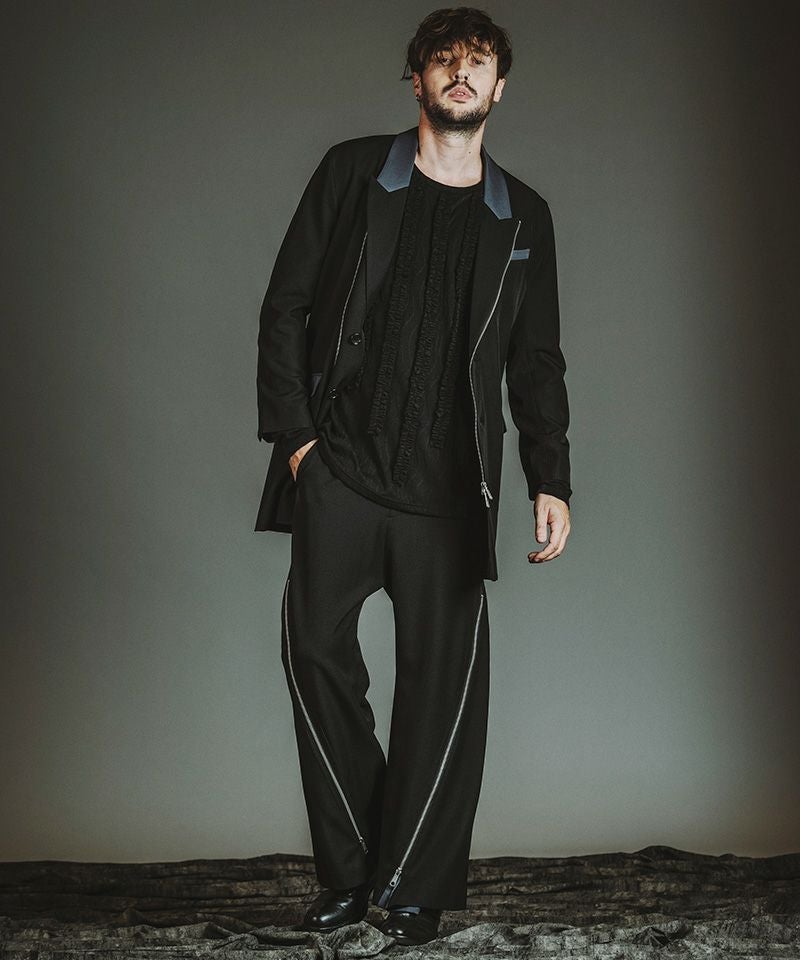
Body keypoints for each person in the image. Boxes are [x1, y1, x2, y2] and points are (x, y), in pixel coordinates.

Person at [254, 6, 572, 945]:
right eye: (444, 59)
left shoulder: (525, 216)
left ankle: (412, 889)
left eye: (478, 62)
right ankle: (353, 871)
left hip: (450, 495)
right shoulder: (353, 173)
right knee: (314, 654)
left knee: (443, 692)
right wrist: (299, 442)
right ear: (418, 77)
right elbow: (285, 306)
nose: (461, 73)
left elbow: (537, 361)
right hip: (342, 470)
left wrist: (550, 477)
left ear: (500, 86)